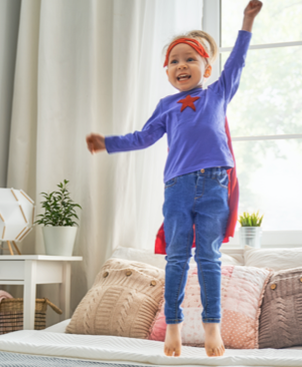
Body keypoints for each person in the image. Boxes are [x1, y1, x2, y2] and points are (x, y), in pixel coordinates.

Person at [86, 0, 263, 357]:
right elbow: (143, 137)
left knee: (210, 259)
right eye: (174, 61)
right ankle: (173, 329)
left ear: (206, 67)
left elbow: (238, 61)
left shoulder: (217, 93)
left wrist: (246, 21)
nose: (182, 65)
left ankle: (213, 329)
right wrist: (108, 143)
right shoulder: (167, 106)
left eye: (190, 59)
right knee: (177, 258)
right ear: (167, 71)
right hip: (178, 189)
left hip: (214, 185)